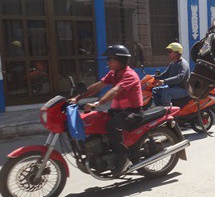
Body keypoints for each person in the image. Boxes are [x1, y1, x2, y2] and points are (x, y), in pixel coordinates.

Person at [70, 45, 143, 176]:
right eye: (108, 59)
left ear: (120, 61)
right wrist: (77, 98)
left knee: (112, 125)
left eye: (111, 59)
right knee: (96, 120)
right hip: (118, 111)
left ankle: (123, 156)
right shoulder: (113, 74)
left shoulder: (129, 75)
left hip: (133, 111)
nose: (108, 62)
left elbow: (115, 91)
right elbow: (97, 86)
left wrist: (97, 103)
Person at [152, 42, 191, 106]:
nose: (168, 53)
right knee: (155, 90)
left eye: (170, 51)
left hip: (183, 89)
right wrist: (155, 77)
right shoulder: (172, 63)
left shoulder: (183, 64)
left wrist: (164, 81)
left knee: (165, 93)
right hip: (173, 87)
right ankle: (159, 109)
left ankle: (168, 112)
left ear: (176, 52)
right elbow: (166, 74)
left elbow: (179, 77)